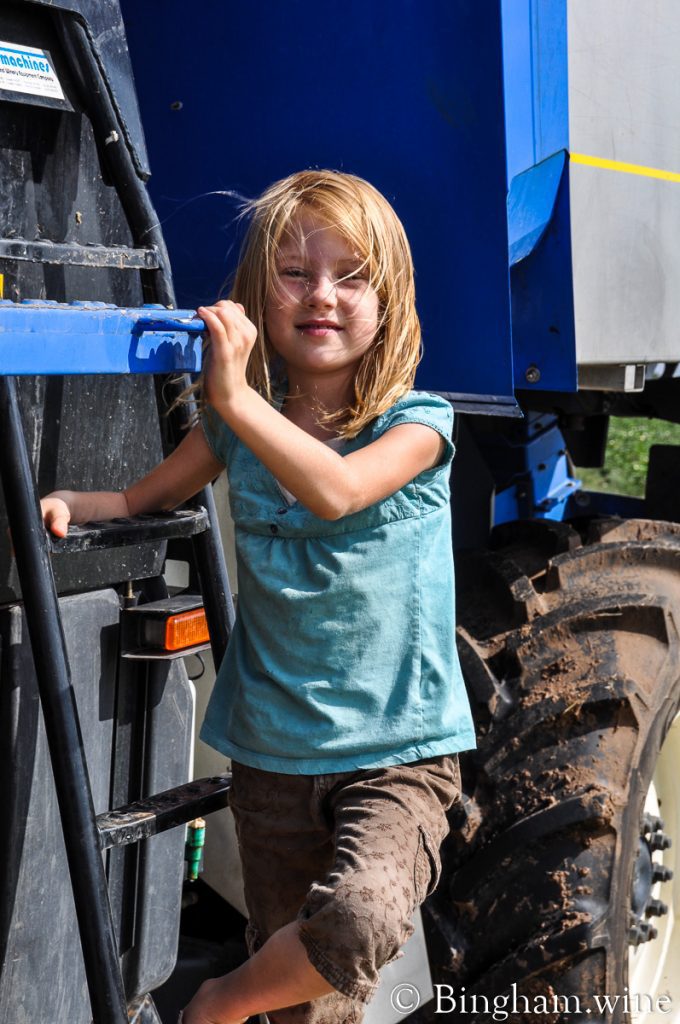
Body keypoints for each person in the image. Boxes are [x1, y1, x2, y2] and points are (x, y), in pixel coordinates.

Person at [41, 170, 476, 1024]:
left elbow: (337, 493)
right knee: (306, 1009)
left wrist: (234, 395)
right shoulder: (234, 430)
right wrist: (66, 504)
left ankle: (213, 1004)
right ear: (255, 297)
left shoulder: (419, 425)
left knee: (359, 920)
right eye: (293, 273)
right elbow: (142, 501)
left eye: (351, 276)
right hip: (274, 755)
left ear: (389, 300)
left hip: (400, 749)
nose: (322, 295)